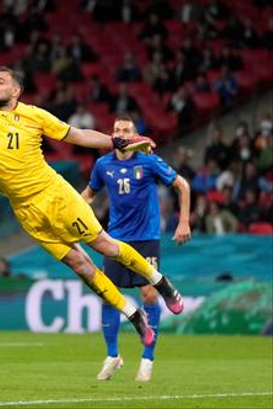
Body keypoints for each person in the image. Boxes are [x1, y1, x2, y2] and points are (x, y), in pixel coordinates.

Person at [0, 29, 185, 349]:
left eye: (1, 82)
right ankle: (132, 315)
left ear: (16, 90)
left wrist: (118, 141)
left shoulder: (34, 115)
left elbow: (79, 135)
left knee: (104, 246)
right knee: (79, 265)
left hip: (54, 195)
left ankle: (162, 283)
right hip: (26, 211)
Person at [81, 116, 191, 382]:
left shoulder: (149, 161)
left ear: (135, 135)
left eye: (126, 130)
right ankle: (112, 355)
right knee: (108, 295)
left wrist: (184, 221)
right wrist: (66, 214)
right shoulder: (102, 164)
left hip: (146, 237)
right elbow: (88, 196)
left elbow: (182, 185)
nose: (121, 133)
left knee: (150, 295)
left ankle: (147, 359)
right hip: (115, 239)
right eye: (117, 129)